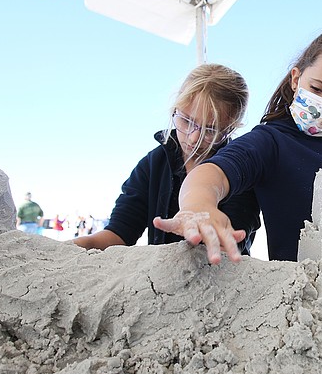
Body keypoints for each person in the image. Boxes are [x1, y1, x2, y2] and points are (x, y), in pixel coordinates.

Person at [153, 29, 322, 264]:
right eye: (316, 88)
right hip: (302, 291)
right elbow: (210, 174)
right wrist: (199, 206)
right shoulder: (269, 142)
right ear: (296, 79)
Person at [73, 64, 260, 252]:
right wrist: (77, 246)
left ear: (231, 129)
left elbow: (232, 242)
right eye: (186, 121)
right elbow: (119, 233)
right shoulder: (153, 164)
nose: (194, 138)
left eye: (210, 130)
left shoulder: (240, 171)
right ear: (174, 109)